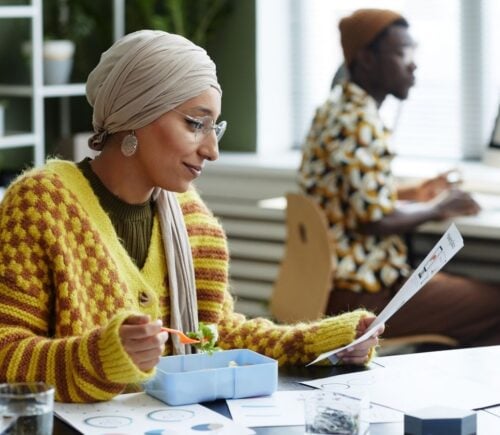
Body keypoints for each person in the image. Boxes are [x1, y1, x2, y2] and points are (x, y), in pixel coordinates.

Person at [0, 30, 382, 403]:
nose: (212, 150)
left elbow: (212, 336)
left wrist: (320, 343)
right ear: (136, 113)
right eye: (195, 124)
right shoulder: (39, 204)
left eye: (214, 126)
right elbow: (5, 351)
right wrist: (99, 358)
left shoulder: (193, 220)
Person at [299, 9, 500, 346]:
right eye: (402, 53)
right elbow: (376, 219)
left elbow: (355, 195)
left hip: (338, 282)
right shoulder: (358, 121)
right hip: (367, 294)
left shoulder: (336, 108)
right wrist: (439, 207)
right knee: (494, 304)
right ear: (366, 58)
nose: (414, 64)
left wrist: (414, 192)